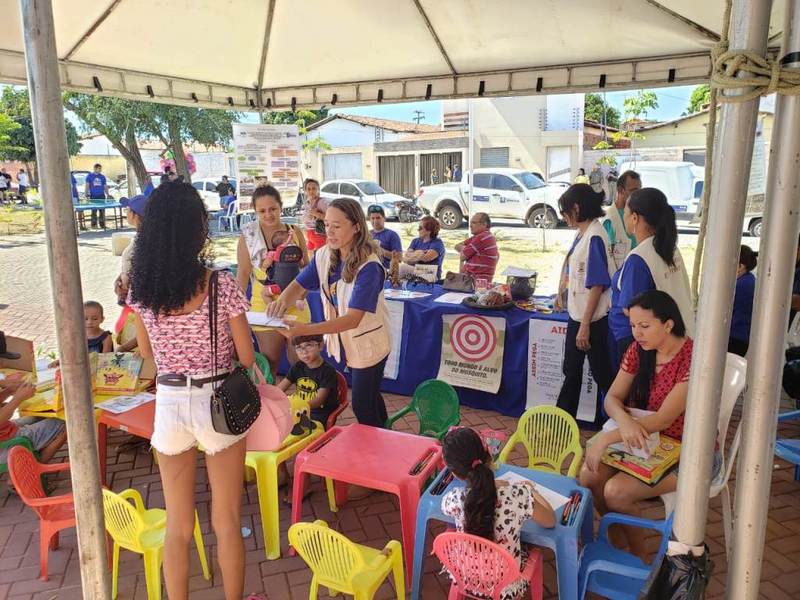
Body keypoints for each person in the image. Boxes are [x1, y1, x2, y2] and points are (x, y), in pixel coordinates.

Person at [129, 181, 254, 600]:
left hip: (169, 405)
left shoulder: (141, 290)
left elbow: (146, 353)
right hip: (218, 403)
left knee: (178, 526)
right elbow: (248, 357)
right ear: (197, 229)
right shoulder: (220, 285)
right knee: (226, 518)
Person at [579, 290, 709, 559]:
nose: (637, 333)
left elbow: (664, 419)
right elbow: (612, 398)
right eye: (633, 326)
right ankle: (617, 536)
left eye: (645, 326)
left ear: (669, 324)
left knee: (616, 492)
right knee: (589, 476)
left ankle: (639, 557)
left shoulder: (692, 359)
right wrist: (625, 423)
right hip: (639, 437)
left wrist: (606, 438)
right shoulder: (640, 350)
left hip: (682, 445)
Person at [266, 197, 391, 427]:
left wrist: (306, 331)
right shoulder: (325, 255)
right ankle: (386, 432)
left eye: (337, 226)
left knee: (362, 404)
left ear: (356, 227)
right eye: (327, 225)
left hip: (369, 343)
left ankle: (377, 446)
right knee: (370, 396)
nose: (329, 232)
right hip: (347, 342)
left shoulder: (369, 266)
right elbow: (299, 284)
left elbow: (353, 319)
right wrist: (280, 303)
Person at [440, 427, 555, 600]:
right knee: (532, 549)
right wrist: (531, 491)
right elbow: (550, 521)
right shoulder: (518, 495)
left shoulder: (454, 498)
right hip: (506, 585)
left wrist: (488, 487)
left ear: (454, 473)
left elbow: (446, 507)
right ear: (487, 455)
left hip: (466, 577)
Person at [608, 188, 694, 368]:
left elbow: (630, 309)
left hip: (641, 342)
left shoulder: (639, 258)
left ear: (635, 218)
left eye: (626, 212)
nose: (624, 217)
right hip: (674, 335)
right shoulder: (668, 247)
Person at [555, 184, 615, 419]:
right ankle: (562, 422)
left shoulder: (595, 237)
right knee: (571, 371)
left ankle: (619, 422)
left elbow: (598, 284)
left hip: (591, 320)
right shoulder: (584, 233)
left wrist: (585, 326)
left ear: (577, 208)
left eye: (564, 212)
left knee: (602, 375)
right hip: (579, 317)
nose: (563, 217)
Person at [236, 185, 309, 377]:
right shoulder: (248, 236)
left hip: (295, 299)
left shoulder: (294, 231)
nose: (268, 214)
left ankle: (302, 402)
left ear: (281, 207)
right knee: (270, 362)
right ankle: (271, 405)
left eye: (273, 209)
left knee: (301, 359)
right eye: (262, 211)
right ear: (255, 211)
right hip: (264, 303)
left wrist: (301, 295)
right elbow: (243, 274)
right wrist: (237, 309)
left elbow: (308, 270)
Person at [114, 193, 151, 352]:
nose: (126, 213)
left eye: (128, 210)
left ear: (134, 215)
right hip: (132, 301)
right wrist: (119, 279)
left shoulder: (145, 242)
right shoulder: (141, 239)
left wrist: (123, 349)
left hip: (139, 304)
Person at [0, 379, 66, 467]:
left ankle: (32, 464)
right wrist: (18, 398)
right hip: (4, 446)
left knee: (43, 414)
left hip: (6, 430)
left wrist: (7, 392)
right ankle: (33, 469)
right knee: (65, 419)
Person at [278, 334, 339, 427]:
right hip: (298, 411)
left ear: (321, 345)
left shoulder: (328, 371)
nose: (304, 352)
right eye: (298, 347)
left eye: (309, 345)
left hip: (319, 413)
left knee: (299, 433)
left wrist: (296, 406)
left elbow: (319, 400)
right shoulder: (298, 367)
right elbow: (279, 389)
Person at [603, 170, 641, 270]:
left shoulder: (639, 214)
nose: (638, 195)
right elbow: (607, 259)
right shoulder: (609, 219)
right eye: (633, 191)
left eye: (639, 191)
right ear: (620, 190)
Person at [729, 245, 757, 357]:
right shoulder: (750, 279)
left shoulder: (739, 286)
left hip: (734, 340)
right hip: (742, 339)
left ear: (740, 266)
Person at [455, 212, 499, 281]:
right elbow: (457, 246)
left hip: (475, 283)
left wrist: (465, 251)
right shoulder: (486, 236)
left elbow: (462, 256)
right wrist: (466, 250)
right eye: (471, 222)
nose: (470, 225)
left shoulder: (481, 238)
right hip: (476, 281)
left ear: (484, 224)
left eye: (474, 223)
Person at [402, 215, 446, 280]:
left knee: (402, 268)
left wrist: (412, 256)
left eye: (420, 228)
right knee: (399, 269)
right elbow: (406, 256)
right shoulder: (415, 241)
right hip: (415, 271)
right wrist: (419, 253)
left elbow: (426, 258)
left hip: (430, 273)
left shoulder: (437, 243)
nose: (418, 230)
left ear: (429, 231)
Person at [368, 204, 402, 269]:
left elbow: (399, 258)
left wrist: (380, 250)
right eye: (372, 218)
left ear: (384, 219)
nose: (375, 221)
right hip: (368, 269)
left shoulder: (392, 235)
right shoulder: (367, 235)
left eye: (378, 218)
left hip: (386, 271)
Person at [301, 178, 328, 252]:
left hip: (318, 233)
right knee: (309, 254)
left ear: (318, 189)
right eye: (308, 189)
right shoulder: (307, 202)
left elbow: (328, 218)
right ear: (305, 191)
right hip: (309, 233)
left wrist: (316, 214)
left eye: (314, 188)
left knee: (319, 256)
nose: (311, 191)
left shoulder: (321, 202)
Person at [84, 163, 109, 228]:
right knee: (94, 211)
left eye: (101, 168)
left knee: (102, 211)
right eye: (99, 168)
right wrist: (86, 194)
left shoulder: (102, 177)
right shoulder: (89, 176)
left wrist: (108, 194)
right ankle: (94, 224)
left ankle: (102, 224)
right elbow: (87, 186)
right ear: (95, 168)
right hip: (93, 196)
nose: (100, 170)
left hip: (101, 195)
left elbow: (105, 186)